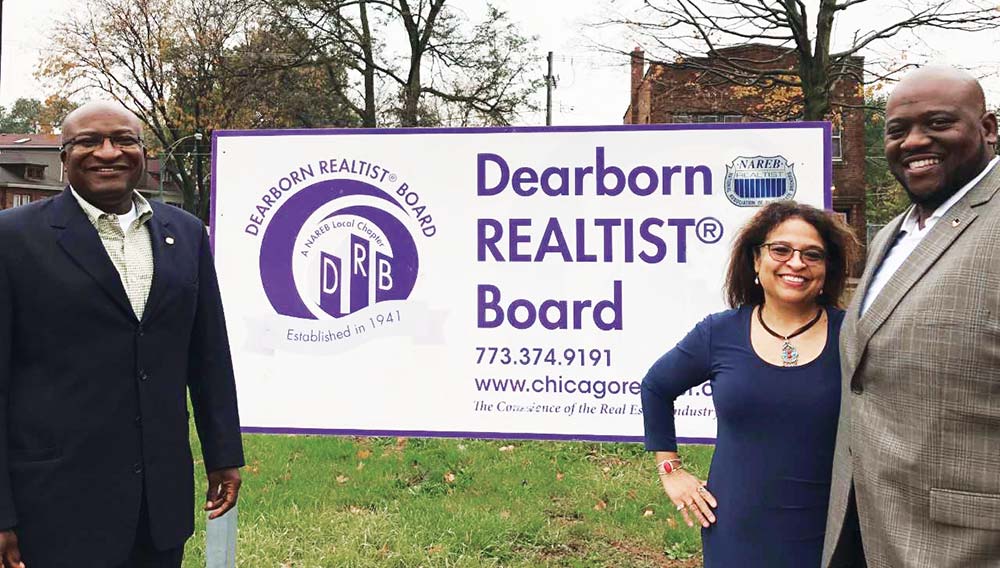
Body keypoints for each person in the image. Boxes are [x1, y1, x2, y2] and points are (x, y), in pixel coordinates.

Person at [0, 101, 245, 567]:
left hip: (158, 505)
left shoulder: (186, 233)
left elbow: (207, 354)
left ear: (142, 153)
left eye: (124, 140)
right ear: (63, 157)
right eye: (89, 142)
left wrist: (223, 453)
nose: (108, 153)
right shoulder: (12, 239)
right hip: (53, 504)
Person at [823, 66, 1000, 568]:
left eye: (938, 123)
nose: (914, 141)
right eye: (897, 130)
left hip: (966, 545)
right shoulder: (892, 234)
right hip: (862, 524)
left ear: (987, 128)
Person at [642, 201, 858, 567]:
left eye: (812, 254)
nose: (796, 262)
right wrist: (670, 470)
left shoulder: (852, 335)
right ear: (756, 260)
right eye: (781, 249)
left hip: (831, 532)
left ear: (826, 269)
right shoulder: (719, 333)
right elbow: (656, 387)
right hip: (736, 531)